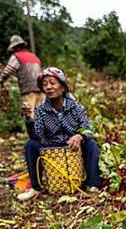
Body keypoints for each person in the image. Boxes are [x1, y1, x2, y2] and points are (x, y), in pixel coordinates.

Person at [18, 67, 102, 202]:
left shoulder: (76, 107)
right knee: (30, 145)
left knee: (91, 144)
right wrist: (29, 119)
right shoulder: (41, 110)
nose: (48, 87)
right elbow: (37, 135)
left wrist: (79, 136)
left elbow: (87, 128)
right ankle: (35, 188)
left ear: (62, 87)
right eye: (45, 85)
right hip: (52, 147)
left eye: (52, 83)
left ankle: (93, 185)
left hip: (73, 146)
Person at [0, 35, 44, 113]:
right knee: (40, 116)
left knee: (29, 115)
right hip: (41, 90)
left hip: (28, 91)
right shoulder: (34, 56)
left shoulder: (16, 56)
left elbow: (7, 72)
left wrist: (1, 80)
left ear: (15, 47)